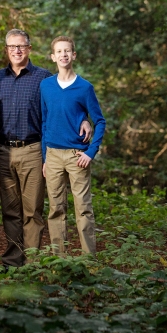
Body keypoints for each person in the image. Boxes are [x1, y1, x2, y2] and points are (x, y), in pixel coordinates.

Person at [0, 29, 92, 267]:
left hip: (33, 149)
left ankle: (33, 262)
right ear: (6, 50)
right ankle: (13, 261)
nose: (17, 50)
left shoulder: (44, 78)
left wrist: (84, 119)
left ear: (29, 49)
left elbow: (61, 105)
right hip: (4, 150)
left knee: (32, 210)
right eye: (12, 47)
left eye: (21, 46)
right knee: (10, 210)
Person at [41, 36, 106, 255]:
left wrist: (91, 152)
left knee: (83, 209)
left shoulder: (84, 88)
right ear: (53, 57)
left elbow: (100, 121)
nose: (63, 55)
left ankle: (90, 259)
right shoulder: (46, 86)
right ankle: (60, 260)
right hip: (52, 155)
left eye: (67, 51)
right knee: (56, 209)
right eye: (59, 51)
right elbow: (44, 121)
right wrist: (44, 158)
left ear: (74, 55)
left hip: (76, 155)